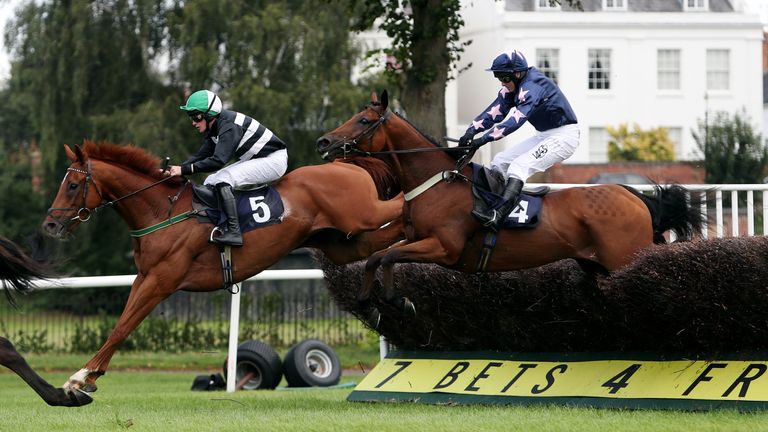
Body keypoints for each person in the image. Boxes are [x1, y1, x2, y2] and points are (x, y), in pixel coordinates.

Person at [458, 50, 579, 231]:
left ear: (518, 73)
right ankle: (488, 205)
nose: (502, 83)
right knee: (499, 161)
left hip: (564, 136)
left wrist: (483, 139)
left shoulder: (533, 85)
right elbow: (495, 112)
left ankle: (497, 216)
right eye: (498, 78)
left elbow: (516, 121)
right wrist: (470, 132)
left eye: (504, 78)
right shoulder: (513, 86)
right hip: (544, 134)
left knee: (519, 166)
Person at [167, 89, 288, 246]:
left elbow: (218, 161)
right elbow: (201, 155)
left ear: (210, 115)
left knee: (223, 178)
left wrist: (183, 170)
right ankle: (221, 223)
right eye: (191, 117)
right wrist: (175, 169)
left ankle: (234, 232)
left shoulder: (229, 126)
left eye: (196, 116)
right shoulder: (215, 126)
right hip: (260, 158)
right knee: (211, 180)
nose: (193, 122)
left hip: (273, 160)